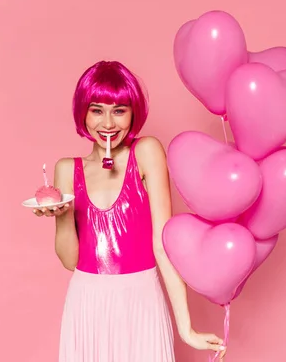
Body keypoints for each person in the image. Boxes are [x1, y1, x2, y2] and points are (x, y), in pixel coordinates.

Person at [33, 60, 226, 362]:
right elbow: (70, 260)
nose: (108, 123)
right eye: (97, 110)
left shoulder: (147, 152)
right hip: (87, 302)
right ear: (82, 112)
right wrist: (61, 215)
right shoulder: (67, 169)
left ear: (134, 112)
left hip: (141, 298)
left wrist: (186, 327)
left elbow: (164, 245)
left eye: (119, 110)